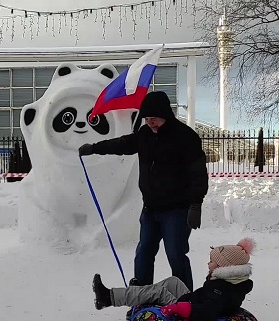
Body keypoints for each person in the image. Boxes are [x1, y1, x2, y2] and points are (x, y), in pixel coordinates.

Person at [79, 91, 208, 291]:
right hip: (150, 209)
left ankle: (185, 299)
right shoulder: (144, 135)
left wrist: (196, 204)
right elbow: (122, 144)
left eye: (153, 119)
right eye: (147, 119)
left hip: (177, 209)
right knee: (144, 252)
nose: (150, 123)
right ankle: (141, 295)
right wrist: (94, 148)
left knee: (176, 254)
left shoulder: (185, 137)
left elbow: (198, 173)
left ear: (165, 114)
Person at [92, 238, 255, 321]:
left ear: (224, 267)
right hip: (192, 301)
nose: (208, 263)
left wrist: (179, 308)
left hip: (188, 309)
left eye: (212, 261)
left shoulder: (220, 288)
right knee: (173, 281)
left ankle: (108, 298)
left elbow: (207, 310)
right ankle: (140, 295)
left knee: (158, 291)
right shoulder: (231, 282)